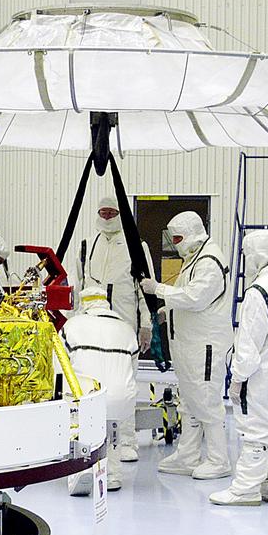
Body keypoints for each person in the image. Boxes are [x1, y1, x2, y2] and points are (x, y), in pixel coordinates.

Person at [139, 211, 232, 480]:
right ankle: (188, 455)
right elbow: (189, 297)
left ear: (193, 233)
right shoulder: (195, 258)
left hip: (205, 346)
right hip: (189, 345)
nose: (176, 243)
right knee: (190, 403)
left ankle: (218, 459)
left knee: (206, 400)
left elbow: (195, 297)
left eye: (179, 237)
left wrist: (159, 290)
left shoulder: (210, 260)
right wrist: (167, 310)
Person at [210, 230, 268, 506]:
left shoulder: (258, 292)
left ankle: (245, 489)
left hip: (258, 378)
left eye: (247, 255)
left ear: (255, 255)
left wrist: (237, 378)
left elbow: (248, 342)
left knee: (254, 431)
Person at [77, 191, 154, 463]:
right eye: (103, 212)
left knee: (126, 383)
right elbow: (81, 287)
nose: (107, 216)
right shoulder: (88, 245)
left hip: (124, 324)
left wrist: (146, 325)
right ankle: (95, 439)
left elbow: (146, 290)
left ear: (121, 215)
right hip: (93, 326)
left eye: (112, 212)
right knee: (92, 382)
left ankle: (126, 441)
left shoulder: (136, 246)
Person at [60, 292, 139, 493]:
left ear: (84, 304)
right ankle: (112, 476)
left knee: (78, 424)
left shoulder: (72, 325)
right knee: (112, 428)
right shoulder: (127, 328)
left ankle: (80, 472)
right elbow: (133, 368)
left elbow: (60, 366)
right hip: (122, 398)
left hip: (87, 396)